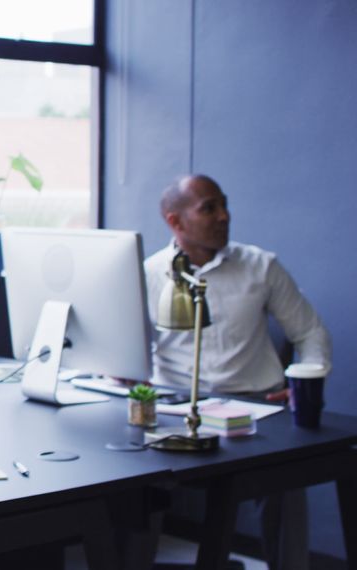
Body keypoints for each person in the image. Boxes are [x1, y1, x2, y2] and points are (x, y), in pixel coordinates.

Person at [144, 174, 332, 570]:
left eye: (224, 205)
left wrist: (305, 380)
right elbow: (130, 345)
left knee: (286, 482)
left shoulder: (261, 266)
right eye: (209, 208)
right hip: (176, 404)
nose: (224, 216)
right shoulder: (151, 273)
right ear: (175, 222)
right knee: (131, 481)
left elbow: (309, 331)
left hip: (256, 405)